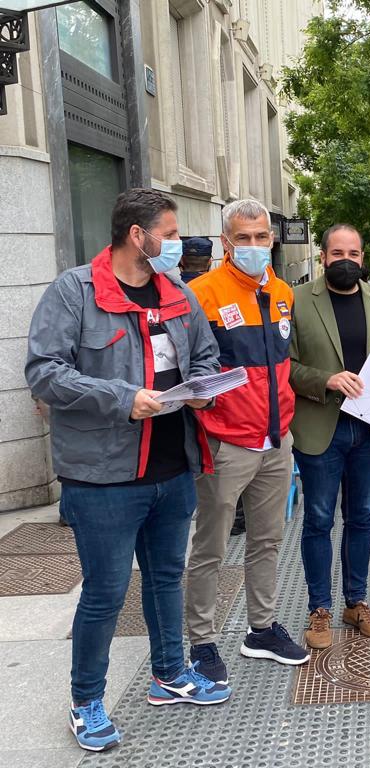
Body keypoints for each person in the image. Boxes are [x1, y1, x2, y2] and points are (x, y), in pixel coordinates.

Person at [25, 189, 229, 753]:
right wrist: (121, 398)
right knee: (105, 593)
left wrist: (205, 390)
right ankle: (86, 701)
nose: (178, 241)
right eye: (169, 230)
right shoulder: (76, 291)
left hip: (172, 466)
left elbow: (205, 356)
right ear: (138, 236)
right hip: (103, 477)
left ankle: (169, 674)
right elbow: (44, 372)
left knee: (167, 578)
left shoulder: (178, 293)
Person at [184, 199, 308, 685]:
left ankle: (261, 628)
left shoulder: (282, 293)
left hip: (276, 441)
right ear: (225, 242)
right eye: (243, 238)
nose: (253, 246)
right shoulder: (201, 293)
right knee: (211, 546)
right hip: (225, 443)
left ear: (271, 240)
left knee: (268, 539)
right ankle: (202, 641)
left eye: (261, 237)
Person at [289, 224, 370, 645]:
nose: (346, 260)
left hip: (369, 428)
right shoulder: (298, 300)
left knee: (361, 518)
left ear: (363, 258)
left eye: (354, 254)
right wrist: (326, 379)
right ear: (323, 257)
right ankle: (318, 608)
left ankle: (355, 602)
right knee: (319, 520)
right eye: (337, 253)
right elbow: (285, 367)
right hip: (321, 427)